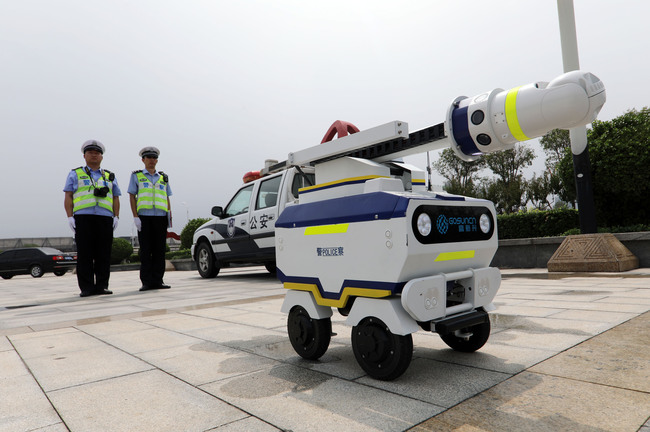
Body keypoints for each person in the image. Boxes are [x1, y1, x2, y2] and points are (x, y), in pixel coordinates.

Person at [64, 140, 121, 297]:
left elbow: (116, 197)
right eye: (90, 152)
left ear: (101, 157)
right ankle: (87, 288)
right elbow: (68, 195)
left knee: (104, 253)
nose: (94, 155)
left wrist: (116, 216)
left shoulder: (109, 176)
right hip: (83, 217)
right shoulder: (75, 173)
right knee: (85, 254)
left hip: (104, 217)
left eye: (97, 153)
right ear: (84, 155)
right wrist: (70, 217)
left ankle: (102, 285)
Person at [128, 146, 173, 291]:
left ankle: (158, 280)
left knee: (159, 250)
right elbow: (132, 197)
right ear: (143, 160)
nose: (152, 160)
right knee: (146, 250)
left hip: (160, 217)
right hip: (144, 218)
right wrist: (135, 216)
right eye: (149, 158)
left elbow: (166, 197)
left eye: (154, 158)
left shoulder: (163, 177)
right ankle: (146, 282)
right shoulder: (137, 176)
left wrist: (169, 215)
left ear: (157, 160)